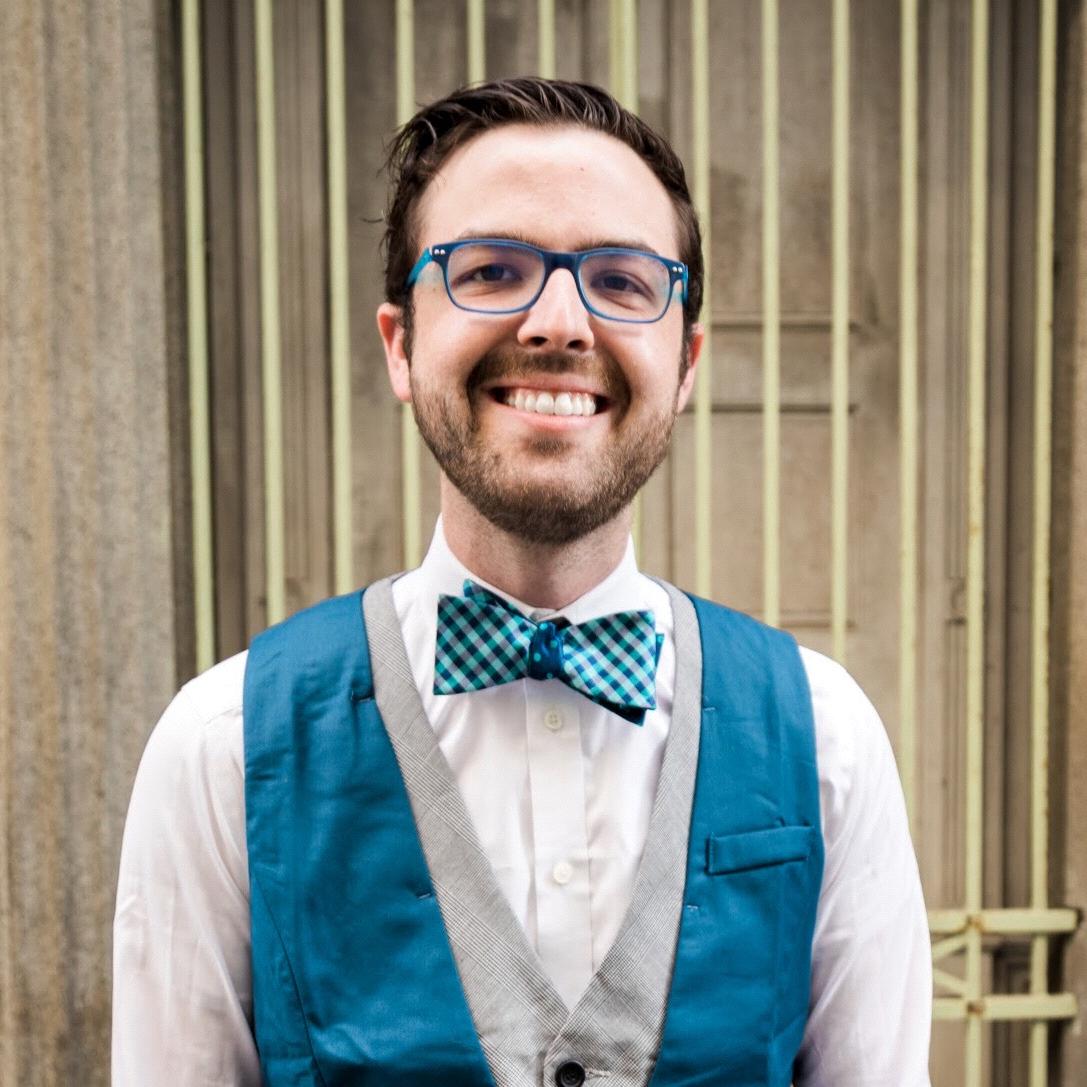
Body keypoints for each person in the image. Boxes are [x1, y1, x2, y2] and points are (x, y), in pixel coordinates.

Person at [112, 77, 932, 1086]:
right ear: (401, 345)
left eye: (622, 281)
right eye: (491, 270)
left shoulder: (826, 740)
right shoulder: (223, 748)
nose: (558, 323)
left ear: (685, 363)